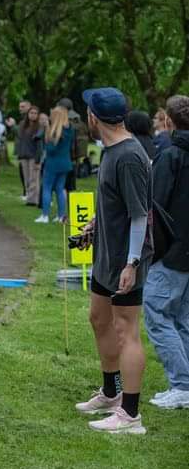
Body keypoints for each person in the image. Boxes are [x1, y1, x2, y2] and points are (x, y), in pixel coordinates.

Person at [75, 87, 152, 434]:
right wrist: (95, 224)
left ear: (94, 117)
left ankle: (131, 415)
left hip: (126, 259)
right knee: (98, 318)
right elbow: (116, 202)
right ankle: (111, 392)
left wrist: (132, 263)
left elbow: (140, 215)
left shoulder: (130, 156)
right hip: (105, 253)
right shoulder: (110, 150)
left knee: (126, 331)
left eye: (86, 112)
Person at [143, 95, 189, 410]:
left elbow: (155, 207)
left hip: (174, 248)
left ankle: (182, 384)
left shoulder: (171, 155)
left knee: (157, 311)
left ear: (169, 121)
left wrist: (151, 252)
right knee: (183, 316)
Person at [35, 106, 73, 223]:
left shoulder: (56, 131)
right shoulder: (70, 129)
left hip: (52, 164)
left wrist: (47, 132)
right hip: (65, 163)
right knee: (60, 189)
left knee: (47, 188)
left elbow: (50, 149)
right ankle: (61, 216)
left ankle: (45, 215)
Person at [16, 106, 42, 206]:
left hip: (34, 155)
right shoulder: (23, 125)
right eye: (31, 113)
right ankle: (29, 197)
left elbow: (40, 144)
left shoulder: (39, 126)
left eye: (35, 113)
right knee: (26, 178)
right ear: (28, 114)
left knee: (34, 178)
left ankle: (34, 200)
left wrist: (38, 159)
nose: (33, 115)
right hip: (24, 154)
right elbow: (19, 139)